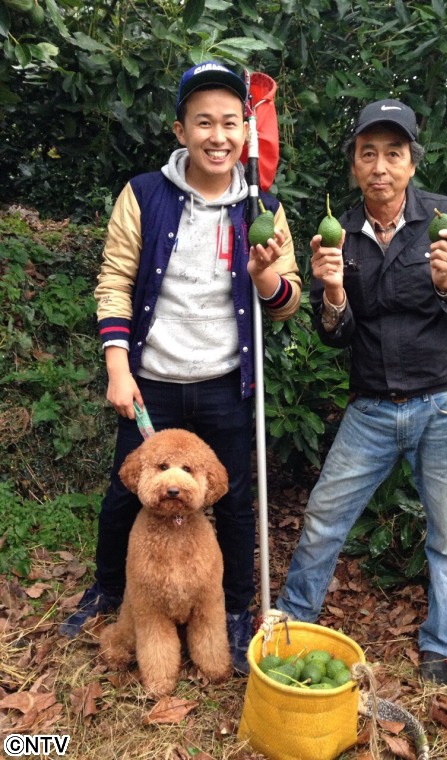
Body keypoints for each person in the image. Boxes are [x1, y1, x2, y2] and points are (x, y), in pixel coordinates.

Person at [60, 61, 301, 675]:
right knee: (125, 496)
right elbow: (114, 280)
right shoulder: (144, 195)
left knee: (235, 498)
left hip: (226, 382)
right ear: (181, 130)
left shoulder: (263, 209)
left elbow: (286, 302)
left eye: (230, 123)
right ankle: (111, 591)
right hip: (153, 383)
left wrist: (264, 276)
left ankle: (236, 608)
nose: (218, 136)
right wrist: (118, 367)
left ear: (245, 130)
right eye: (204, 122)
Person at [275, 99, 447, 685]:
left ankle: (439, 646)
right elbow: (335, 337)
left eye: (393, 154)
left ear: (411, 164)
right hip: (372, 406)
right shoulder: (341, 234)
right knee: (323, 517)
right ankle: (291, 625)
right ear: (354, 163)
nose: (380, 166)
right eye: (367, 153)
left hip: (444, 403)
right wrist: (332, 293)